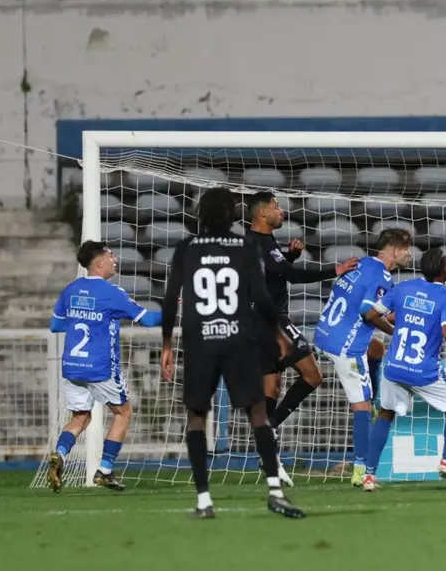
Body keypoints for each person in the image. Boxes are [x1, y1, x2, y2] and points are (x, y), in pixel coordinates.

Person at [160, 187, 304, 519]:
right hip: (237, 338)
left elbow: (170, 299)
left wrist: (167, 344)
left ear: (201, 214)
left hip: (200, 340)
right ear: (232, 214)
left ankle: (204, 501)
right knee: (257, 412)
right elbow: (262, 298)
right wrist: (279, 334)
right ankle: (274, 491)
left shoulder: (186, 248)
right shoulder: (246, 245)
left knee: (196, 417)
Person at [245, 191, 359, 483]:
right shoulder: (259, 242)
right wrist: (336, 269)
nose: (280, 211)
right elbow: (290, 276)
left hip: (256, 323)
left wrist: (290, 256)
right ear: (262, 214)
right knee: (313, 376)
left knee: (272, 387)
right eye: (276, 207)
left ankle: (268, 454)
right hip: (271, 322)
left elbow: (275, 271)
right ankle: (269, 428)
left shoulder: (258, 242)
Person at [45, 240, 162, 492]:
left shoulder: (70, 289)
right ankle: (105, 470)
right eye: (111, 256)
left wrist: (83, 319)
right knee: (123, 413)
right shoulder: (112, 293)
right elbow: (150, 320)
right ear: (98, 263)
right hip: (100, 367)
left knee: (80, 417)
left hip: (73, 366)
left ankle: (60, 454)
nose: (115, 260)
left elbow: (55, 326)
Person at [365, 249, 446, 491]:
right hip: (424, 370)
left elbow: (371, 314)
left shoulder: (402, 288)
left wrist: (395, 327)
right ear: (445, 270)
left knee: (386, 413)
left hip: (394, 366)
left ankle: (369, 475)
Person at [313, 228, 410, 488]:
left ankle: (371, 394)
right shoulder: (383, 276)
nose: (409, 254)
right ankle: (361, 469)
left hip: (323, 333)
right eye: (406, 249)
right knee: (362, 408)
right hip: (346, 347)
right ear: (393, 249)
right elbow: (368, 313)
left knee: (376, 349)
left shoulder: (362, 263)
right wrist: (396, 330)